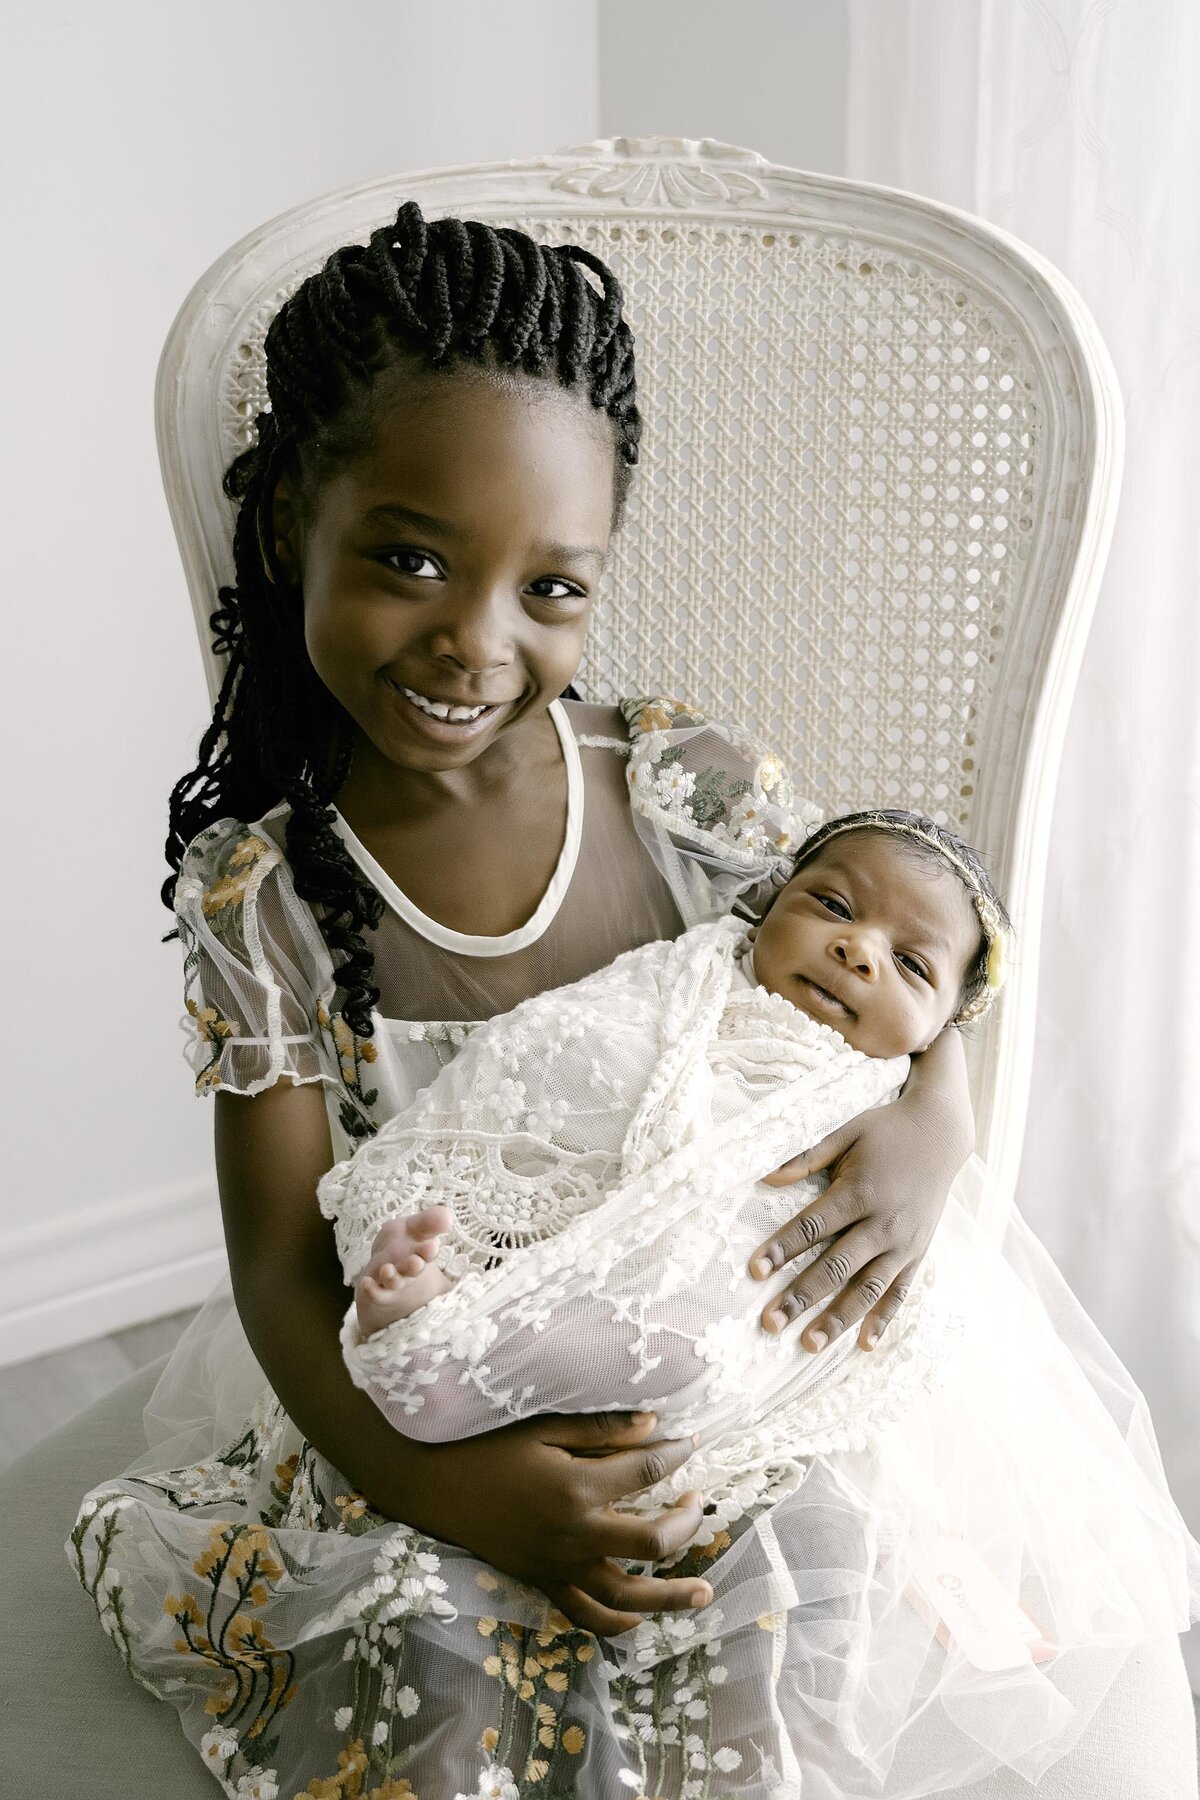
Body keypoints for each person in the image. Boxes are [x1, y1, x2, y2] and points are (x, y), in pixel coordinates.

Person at [64, 199, 1186, 1799]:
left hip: (711, 1363)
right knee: (420, 1654)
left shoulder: (682, 789)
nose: (474, 638)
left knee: (780, 1610)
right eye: (408, 559)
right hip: (433, 1406)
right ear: (294, 520)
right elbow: (273, 1266)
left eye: (552, 588)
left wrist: (929, 1129)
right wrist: (463, 1495)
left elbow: (883, 976)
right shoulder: (267, 900)